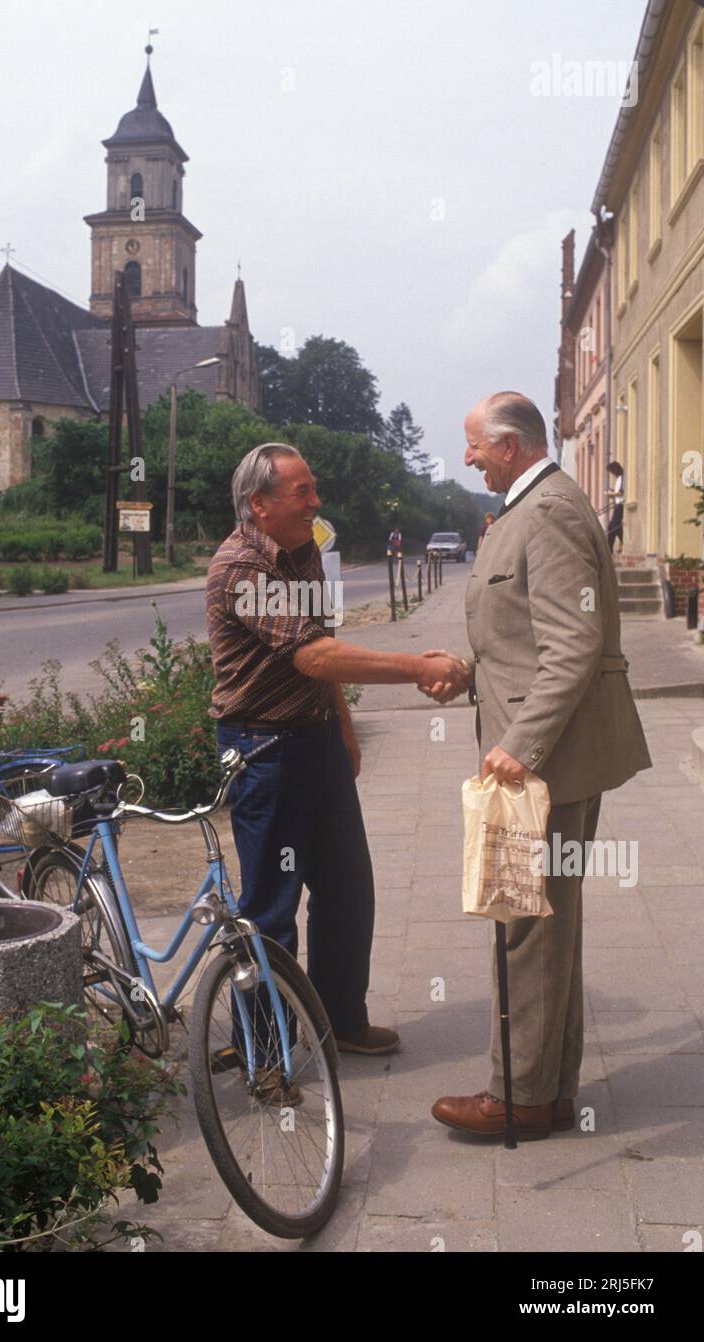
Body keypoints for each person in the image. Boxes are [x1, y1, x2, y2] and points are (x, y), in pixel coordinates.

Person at [429, 392, 651, 1138]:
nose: (466, 459)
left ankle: (518, 1097)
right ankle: (546, 1091)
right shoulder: (539, 502)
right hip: (549, 753)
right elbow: (528, 638)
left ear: (511, 445)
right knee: (544, 923)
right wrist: (467, 668)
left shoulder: (546, 512)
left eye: (474, 447)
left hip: (546, 761)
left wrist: (520, 746)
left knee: (524, 921)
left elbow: (573, 645)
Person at [206, 443, 468, 1055]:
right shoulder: (240, 566)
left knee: (348, 887)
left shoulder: (305, 555)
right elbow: (315, 656)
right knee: (271, 906)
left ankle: (340, 1023)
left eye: (314, 487)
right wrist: (418, 665)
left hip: (314, 740)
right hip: (262, 750)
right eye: (303, 492)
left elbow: (324, 651)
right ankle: (264, 1053)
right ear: (260, 504)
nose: (316, 501)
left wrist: (343, 730)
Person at [605, 461, 624, 552]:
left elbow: (621, 492)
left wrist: (610, 494)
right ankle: (611, 549)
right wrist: (612, 492)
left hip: (620, 506)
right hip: (617, 505)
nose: (612, 474)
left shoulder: (622, 478)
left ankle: (609, 550)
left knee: (613, 527)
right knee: (615, 527)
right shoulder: (618, 479)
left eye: (612, 472)